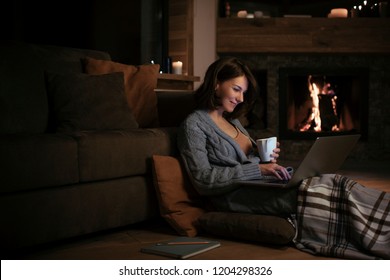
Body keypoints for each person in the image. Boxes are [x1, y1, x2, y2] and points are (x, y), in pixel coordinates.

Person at [177, 56, 390, 259]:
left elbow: (251, 164)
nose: (241, 99)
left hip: (262, 186)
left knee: (332, 181)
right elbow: (202, 180)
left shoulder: (234, 123)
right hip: (234, 198)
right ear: (216, 84)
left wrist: (267, 163)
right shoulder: (194, 125)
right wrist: (258, 170)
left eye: (243, 92)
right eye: (236, 89)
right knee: (331, 188)